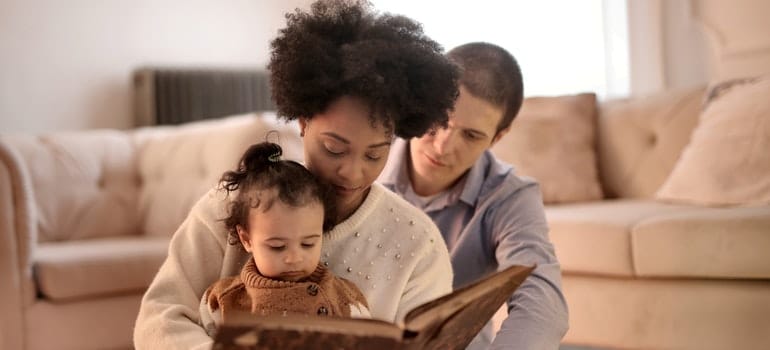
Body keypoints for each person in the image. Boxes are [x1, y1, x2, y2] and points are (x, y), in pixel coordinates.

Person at [133, 1, 459, 349]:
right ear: (302, 122)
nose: (352, 172)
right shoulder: (231, 206)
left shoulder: (417, 243)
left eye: (375, 154)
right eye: (334, 148)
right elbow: (160, 317)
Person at [378, 42, 569, 349]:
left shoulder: (510, 196)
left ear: (498, 137)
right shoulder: (364, 161)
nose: (443, 146)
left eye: (471, 135)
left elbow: (543, 306)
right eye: (439, 120)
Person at [198, 142, 370, 336]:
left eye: (308, 244)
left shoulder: (346, 297)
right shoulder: (222, 301)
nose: (294, 258)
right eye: (277, 247)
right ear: (246, 239)